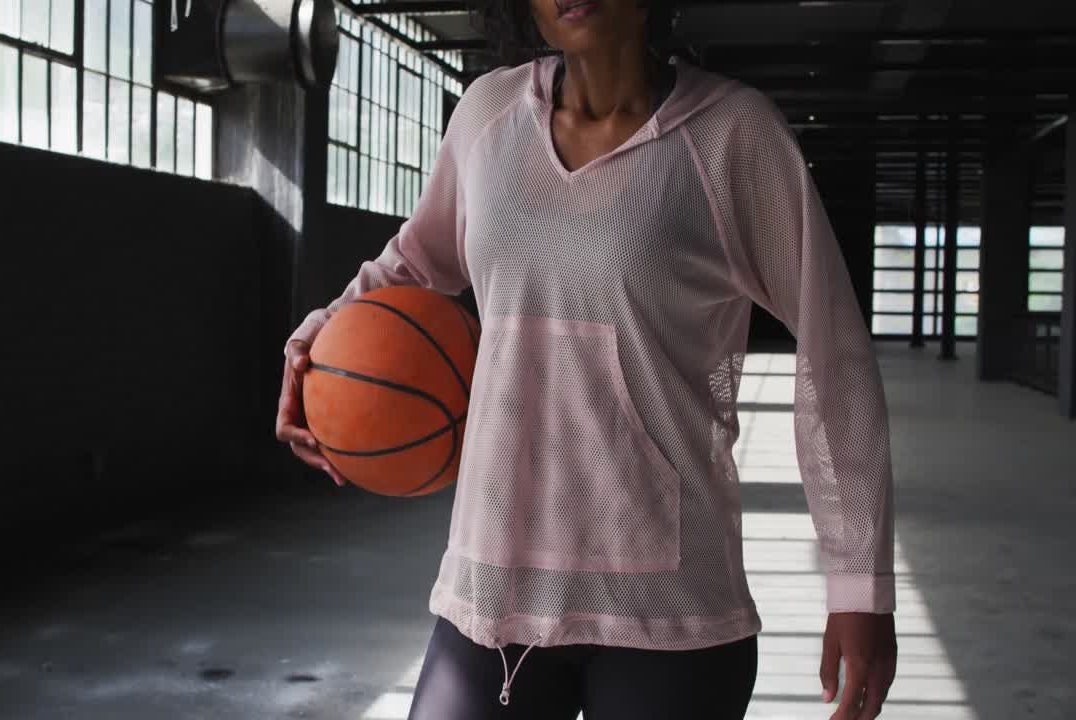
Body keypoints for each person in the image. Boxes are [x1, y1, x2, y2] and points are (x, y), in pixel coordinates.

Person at [275, 0, 898, 717]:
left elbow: (835, 350)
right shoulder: (488, 115)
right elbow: (414, 264)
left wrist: (859, 586)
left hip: (670, 605)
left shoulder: (735, 135)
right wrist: (312, 350)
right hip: (494, 585)